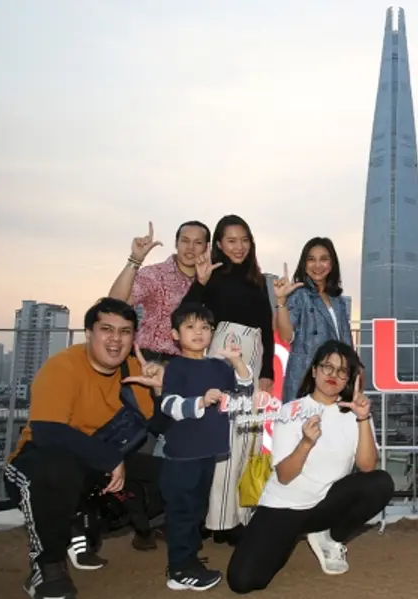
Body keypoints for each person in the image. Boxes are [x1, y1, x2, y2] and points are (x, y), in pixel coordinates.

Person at [2, 298, 167, 599]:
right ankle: (48, 566)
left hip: (98, 468)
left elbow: (160, 427)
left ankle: (85, 520)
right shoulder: (63, 366)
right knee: (57, 469)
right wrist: (110, 458)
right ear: (89, 333)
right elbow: (47, 432)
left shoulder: (135, 371)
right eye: (106, 329)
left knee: (177, 476)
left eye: (125, 331)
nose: (116, 339)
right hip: (38, 466)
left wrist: (158, 392)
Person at [225, 340, 395, 594]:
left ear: (349, 378)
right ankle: (289, 536)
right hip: (283, 507)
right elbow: (284, 476)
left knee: (380, 483)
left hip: (325, 503)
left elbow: (367, 466)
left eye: (342, 371)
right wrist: (306, 443)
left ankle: (329, 537)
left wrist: (363, 418)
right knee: (243, 582)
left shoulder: (355, 412)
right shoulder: (290, 411)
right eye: (327, 367)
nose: (333, 375)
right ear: (314, 370)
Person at [179, 214, 275, 545]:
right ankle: (220, 520)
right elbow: (185, 315)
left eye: (244, 240)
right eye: (231, 240)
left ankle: (240, 514)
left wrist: (267, 372)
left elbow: (267, 328)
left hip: (254, 357)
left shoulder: (257, 280)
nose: (239, 246)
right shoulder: (213, 277)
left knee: (249, 437)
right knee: (227, 440)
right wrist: (200, 282)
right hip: (224, 355)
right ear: (219, 244)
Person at [158, 303, 256, 590]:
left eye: (204, 327)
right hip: (181, 455)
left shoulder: (219, 366)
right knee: (182, 513)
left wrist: (237, 361)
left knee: (197, 510)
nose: (198, 332)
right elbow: (167, 404)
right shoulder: (176, 367)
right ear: (175, 334)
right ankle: (180, 569)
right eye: (190, 327)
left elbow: (244, 392)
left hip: (208, 452)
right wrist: (200, 402)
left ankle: (188, 561)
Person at [107, 220, 211, 363]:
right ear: (176, 243)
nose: (190, 248)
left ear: (207, 247)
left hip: (187, 364)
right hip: (148, 360)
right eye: (185, 241)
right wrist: (135, 259)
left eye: (198, 242)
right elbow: (114, 303)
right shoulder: (155, 274)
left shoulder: (211, 282)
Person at [273, 237, 353, 404]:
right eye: (311, 259)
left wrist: (354, 374)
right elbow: (286, 336)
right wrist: (281, 300)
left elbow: (347, 345)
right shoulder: (298, 294)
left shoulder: (338, 300)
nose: (317, 265)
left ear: (332, 263)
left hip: (336, 378)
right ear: (304, 263)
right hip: (305, 377)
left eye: (323, 259)